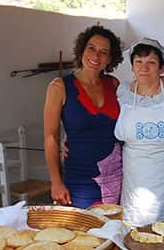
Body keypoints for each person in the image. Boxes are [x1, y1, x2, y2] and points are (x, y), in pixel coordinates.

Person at [113, 37, 164, 225]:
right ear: (132, 66)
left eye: (151, 62)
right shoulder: (123, 92)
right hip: (134, 172)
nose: (144, 67)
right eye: (138, 62)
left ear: (162, 67)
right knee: (134, 225)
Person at [43, 25, 123, 208]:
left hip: (115, 176)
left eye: (104, 52)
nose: (96, 57)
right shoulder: (59, 87)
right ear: (82, 50)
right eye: (91, 48)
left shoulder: (114, 84)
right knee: (80, 232)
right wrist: (56, 181)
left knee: (112, 231)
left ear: (110, 59)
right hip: (78, 179)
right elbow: (50, 137)